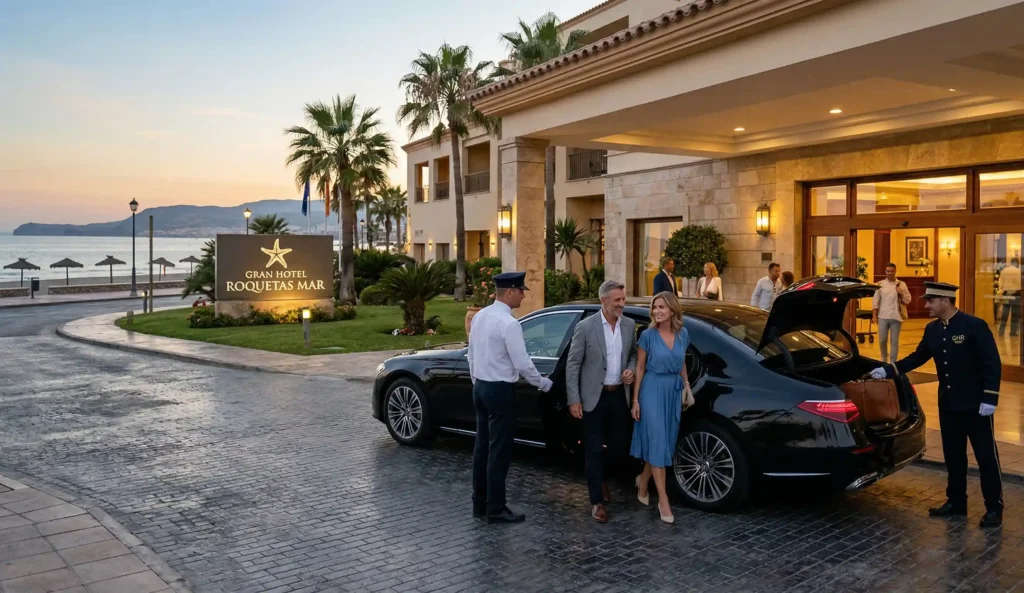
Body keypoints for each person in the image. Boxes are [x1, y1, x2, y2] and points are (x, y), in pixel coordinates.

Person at [867, 281, 1003, 528]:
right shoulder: (932, 329)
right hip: (949, 404)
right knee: (953, 456)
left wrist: (990, 398)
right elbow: (917, 357)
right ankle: (956, 503)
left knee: (985, 457)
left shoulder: (974, 326)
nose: (927, 305)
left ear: (945, 301)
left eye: (930, 301)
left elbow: (991, 364)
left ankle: (994, 507)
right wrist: (888, 370)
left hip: (975, 405)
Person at [467, 271, 553, 524]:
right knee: (499, 451)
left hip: (481, 387)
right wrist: (544, 383)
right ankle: (495, 508)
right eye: (522, 291)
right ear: (510, 292)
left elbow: (471, 353)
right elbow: (523, 363)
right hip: (500, 390)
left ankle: (479, 504)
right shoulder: (509, 324)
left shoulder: (481, 316)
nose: (524, 295)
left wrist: (478, 380)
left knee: (482, 448)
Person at [565, 280, 638, 523]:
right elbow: (573, 363)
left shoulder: (629, 325)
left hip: (618, 395)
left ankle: (601, 477)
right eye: (617, 300)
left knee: (619, 446)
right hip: (592, 397)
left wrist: (630, 370)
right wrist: (574, 399)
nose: (622, 304)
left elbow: (632, 354)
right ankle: (596, 501)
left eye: (623, 299)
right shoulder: (586, 327)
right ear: (603, 301)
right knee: (594, 450)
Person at [631, 291, 692, 524]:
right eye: (654, 307)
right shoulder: (647, 335)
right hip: (651, 390)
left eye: (662, 307)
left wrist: (687, 386)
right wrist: (635, 401)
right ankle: (663, 500)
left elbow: (682, 362)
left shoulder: (682, 333)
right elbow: (639, 368)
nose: (657, 311)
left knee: (663, 443)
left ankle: (643, 481)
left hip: (673, 391)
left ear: (672, 310)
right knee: (657, 441)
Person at [871, 263, 912, 363]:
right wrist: (874, 316)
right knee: (882, 340)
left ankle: (893, 361)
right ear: (885, 272)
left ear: (895, 271)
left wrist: (901, 292)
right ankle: (884, 358)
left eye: (892, 271)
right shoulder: (880, 284)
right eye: (888, 271)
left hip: (896, 317)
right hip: (883, 316)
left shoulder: (901, 284)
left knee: (894, 341)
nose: (890, 273)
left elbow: (908, 300)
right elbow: (875, 301)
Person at [998, 258, 1021, 337]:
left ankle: (1001, 330)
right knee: (1015, 313)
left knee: (1005, 312)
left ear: (1011, 263)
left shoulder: (1004, 271)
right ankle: (1013, 332)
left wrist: (1001, 289)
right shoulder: (1018, 271)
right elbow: (1019, 282)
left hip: (1006, 292)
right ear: (1017, 263)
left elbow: (1000, 283)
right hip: (1016, 293)